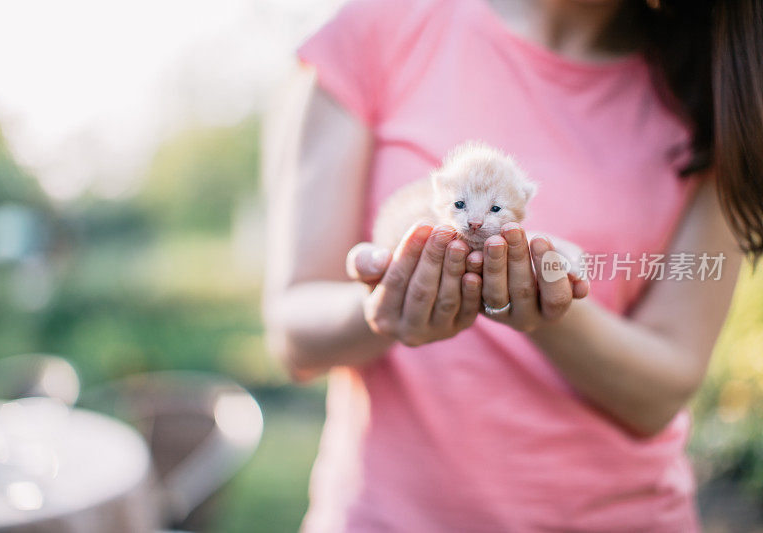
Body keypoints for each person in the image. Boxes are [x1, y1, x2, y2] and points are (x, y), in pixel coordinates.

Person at [263, 0, 763, 530]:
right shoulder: (382, 23)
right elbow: (294, 333)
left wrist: (550, 311)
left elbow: (663, 390)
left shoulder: (726, 91)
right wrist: (383, 306)